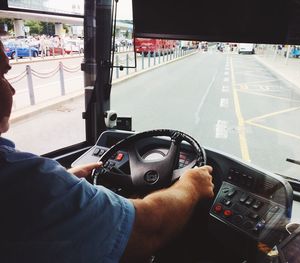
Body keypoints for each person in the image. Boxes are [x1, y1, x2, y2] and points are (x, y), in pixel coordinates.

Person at [0, 39, 214, 263]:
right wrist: (191, 184)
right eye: (4, 75)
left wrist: (64, 182)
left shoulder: (25, 179)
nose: (12, 89)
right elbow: (150, 229)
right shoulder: (26, 177)